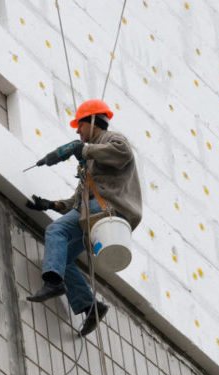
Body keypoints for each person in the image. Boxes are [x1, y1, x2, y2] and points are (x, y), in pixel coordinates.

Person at [25, 99, 142, 336]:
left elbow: (123, 152)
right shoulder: (90, 159)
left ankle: (53, 282)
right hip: (96, 214)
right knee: (63, 258)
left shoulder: (111, 140)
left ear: (91, 121)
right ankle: (90, 307)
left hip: (107, 208)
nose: (77, 131)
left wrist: (83, 149)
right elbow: (78, 200)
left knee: (55, 232)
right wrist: (51, 204)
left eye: (80, 125)